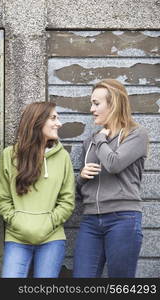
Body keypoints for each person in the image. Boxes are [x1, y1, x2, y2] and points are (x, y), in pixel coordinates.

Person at [73, 79, 149, 278]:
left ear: (113, 104)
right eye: (92, 103)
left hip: (122, 219)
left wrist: (101, 139)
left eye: (96, 103)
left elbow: (114, 164)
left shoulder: (136, 134)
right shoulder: (89, 142)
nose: (91, 109)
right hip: (90, 220)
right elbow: (79, 190)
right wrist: (81, 177)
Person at [0, 101, 75, 278]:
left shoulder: (63, 157)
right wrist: (19, 222)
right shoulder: (10, 155)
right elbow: (2, 200)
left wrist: (49, 222)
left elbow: (67, 201)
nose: (59, 124)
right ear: (37, 121)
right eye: (53, 118)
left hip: (52, 238)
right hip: (17, 238)